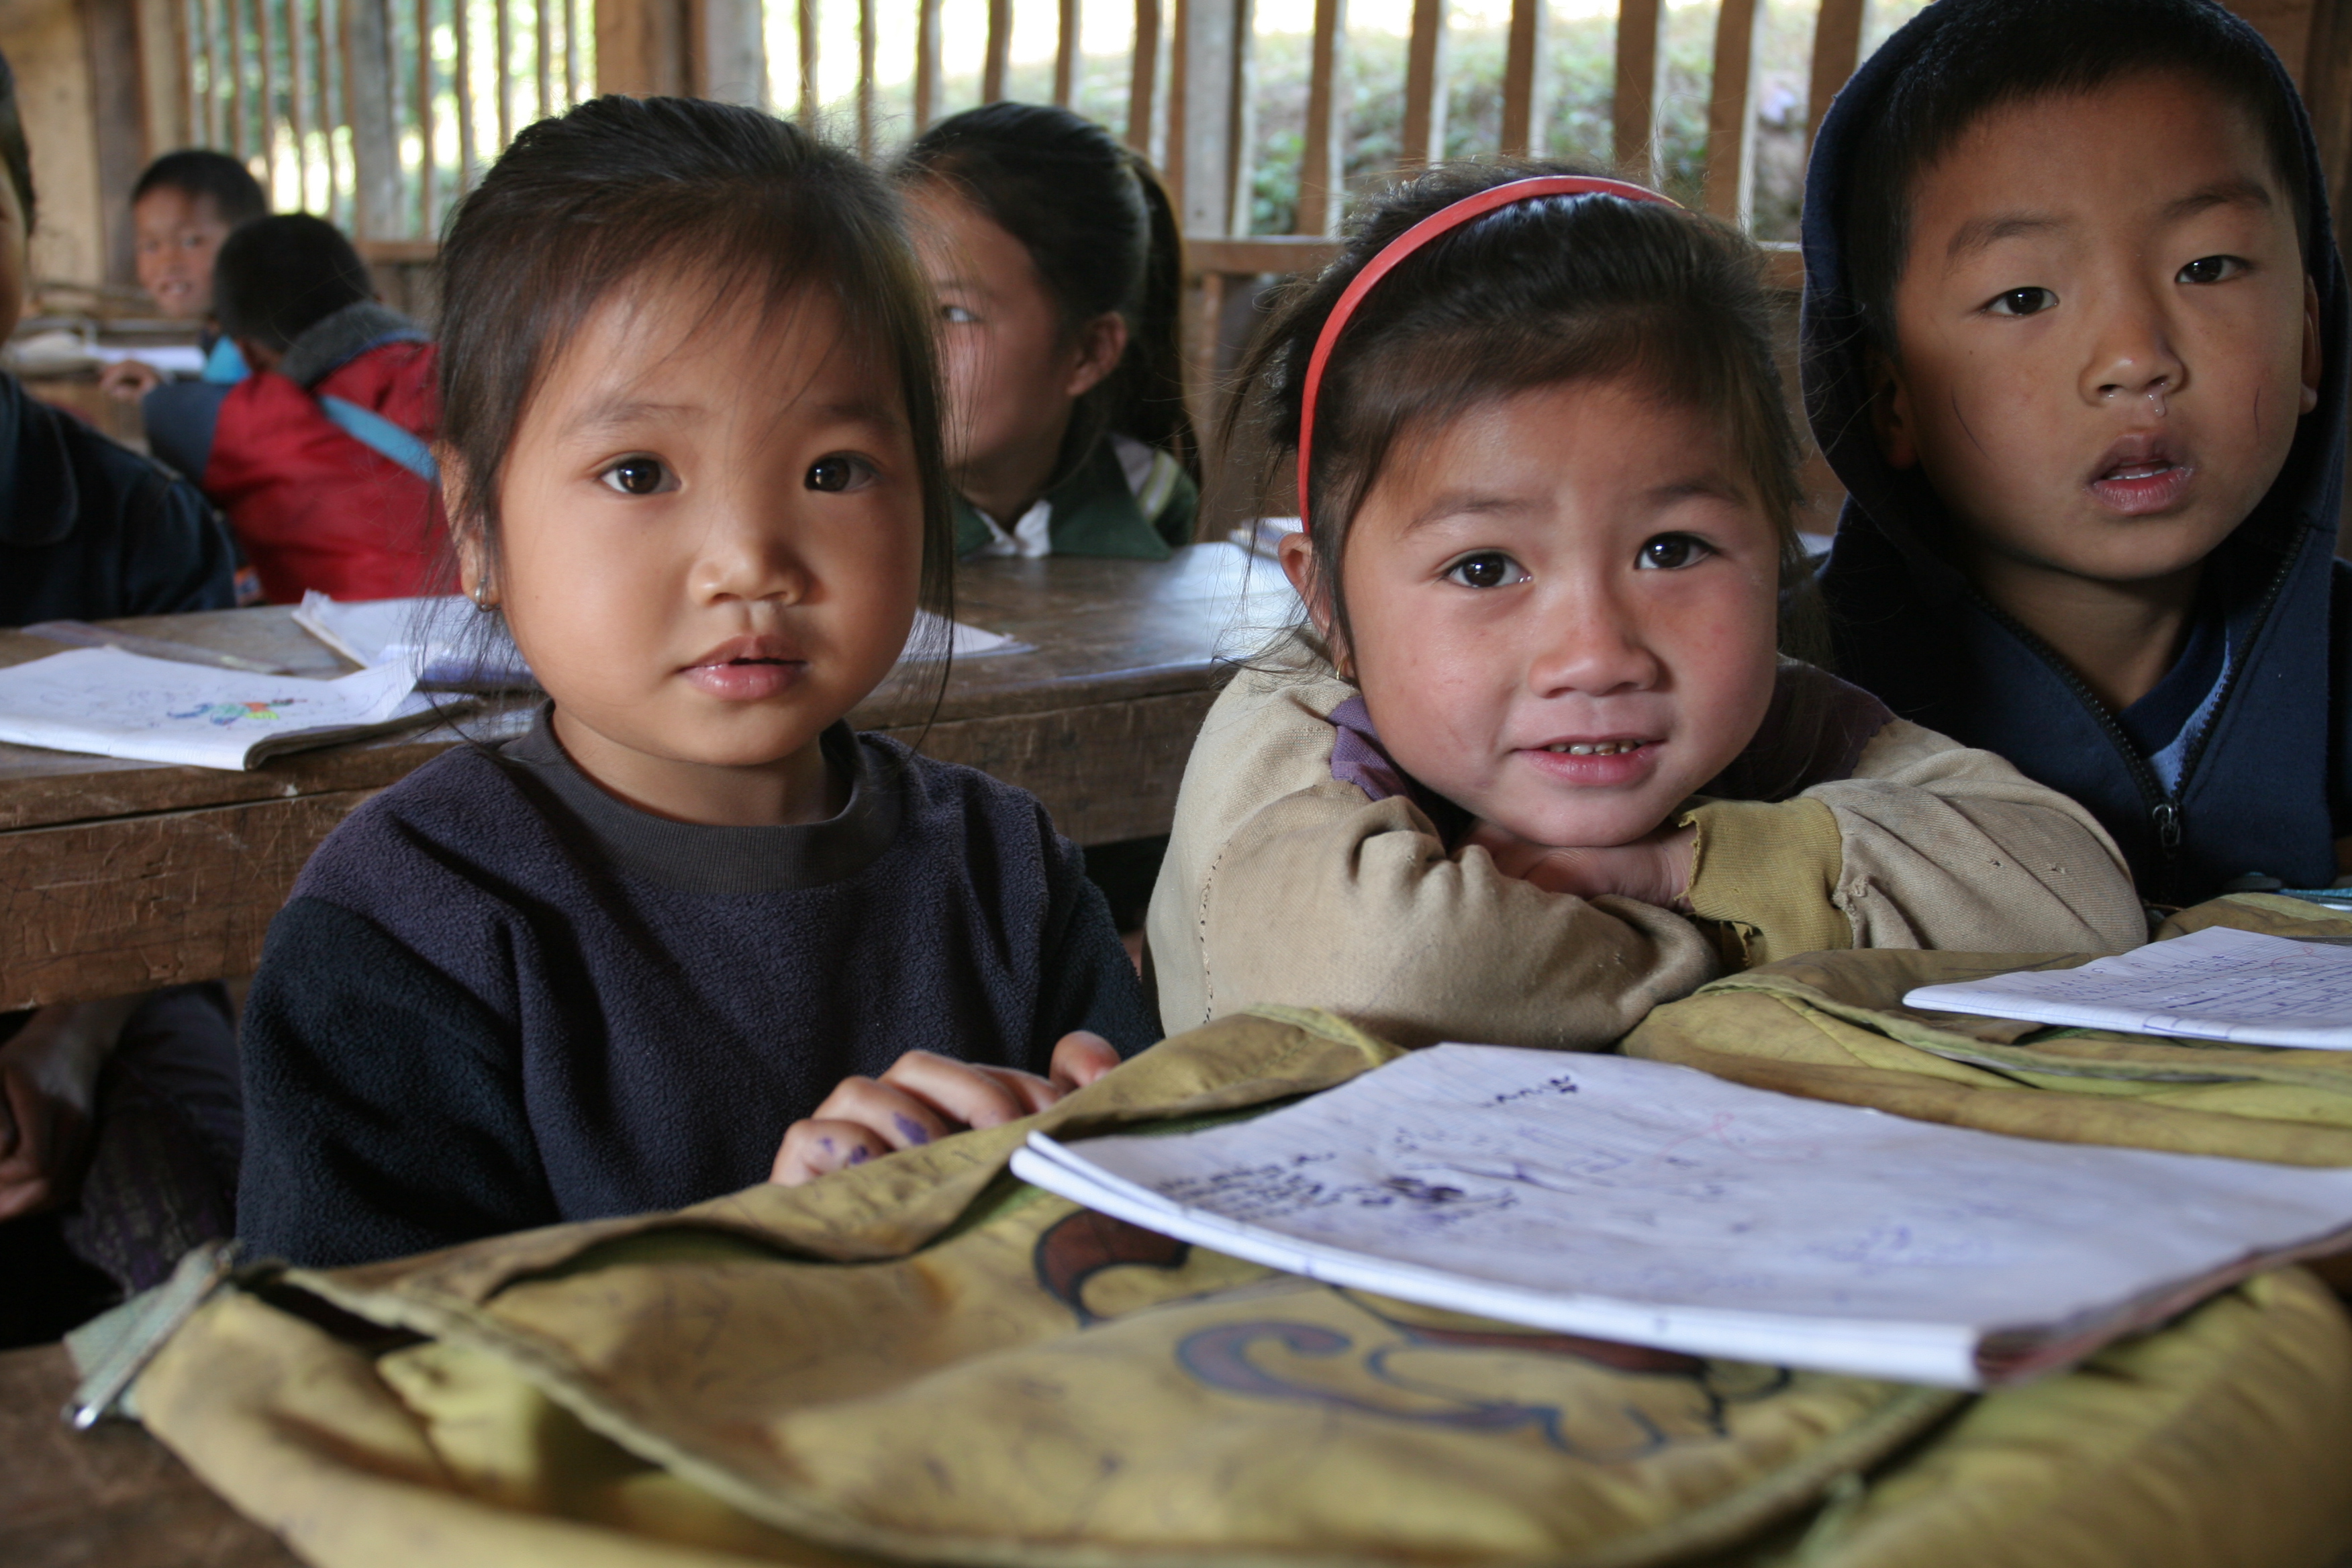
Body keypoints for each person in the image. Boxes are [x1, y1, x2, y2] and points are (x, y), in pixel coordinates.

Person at [235, 96, 1156, 1267]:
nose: (748, 562)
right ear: (478, 524)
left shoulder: (1003, 870)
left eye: (835, 468)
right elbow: (353, 1374)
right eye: (637, 471)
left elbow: (1151, 1245)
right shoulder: (414, 926)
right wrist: (761, 1266)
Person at [1144, 165, 2149, 1048]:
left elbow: (2087, 903)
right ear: (1328, 607)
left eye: (1672, 551)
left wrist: (1675, 869)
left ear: (1772, 550)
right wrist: (1745, 936)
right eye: (1486, 569)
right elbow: (1380, 977)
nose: (1597, 654)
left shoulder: (1768, 710)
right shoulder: (1289, 741)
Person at [1804, 0, 2344, 908]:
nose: (2136, 358)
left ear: (2310, 336)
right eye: (2024, 298)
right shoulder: (1782, 710)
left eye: (2206, 267)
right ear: (1890, 400)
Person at [0, 54, 243, 1343]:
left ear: (26, 240)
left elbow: (200, 834)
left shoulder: (136, 524)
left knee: (226, 1271)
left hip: (107, 994)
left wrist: (70, 1035)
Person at [895, 103, 1199, 559]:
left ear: (1088, 353)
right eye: (892, 302)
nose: (905, 345)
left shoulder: (1144, 498)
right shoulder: (848, 502)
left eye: (954, 314)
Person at [144, 213, 442, 603]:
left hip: (365, 656)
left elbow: (161, 411)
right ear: (378, 303)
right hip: (511, 637)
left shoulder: (260, 425)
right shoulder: (476, 372)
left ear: (247, 354)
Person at [98, 149, 269, 401]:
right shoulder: (218, 336)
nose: (167, 264)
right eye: (150, 246)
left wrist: (165, 401)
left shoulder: (256, 345)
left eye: (191, 242)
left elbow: (231, 426)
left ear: (247, 241)